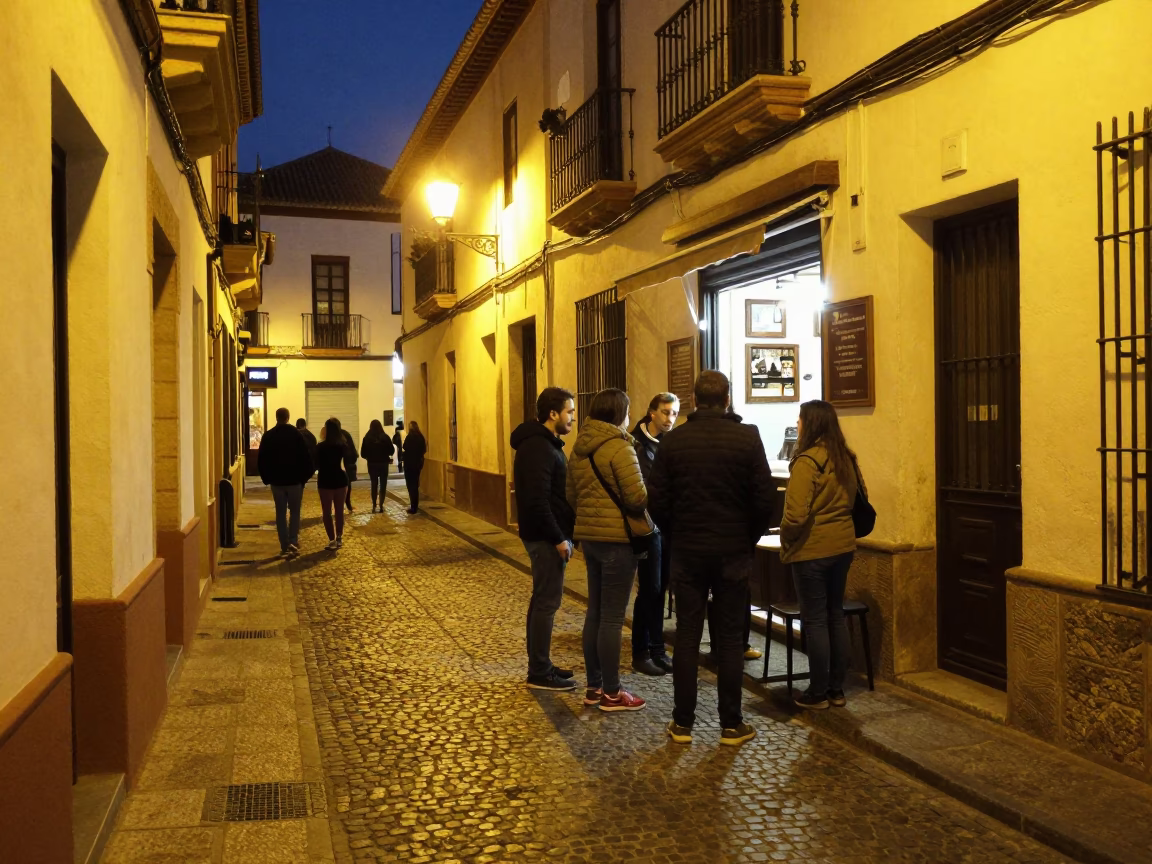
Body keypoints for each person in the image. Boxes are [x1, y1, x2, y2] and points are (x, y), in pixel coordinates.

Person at [648, 371, 773, 746]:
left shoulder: (674, 441)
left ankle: (682, 724)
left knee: (687, 637)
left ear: (694, 399)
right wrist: (746, 537)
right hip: (732, 552)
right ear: (728, 398)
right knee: (731, 638)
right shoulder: (747, 437)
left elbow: (657, 499)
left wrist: (676, 533)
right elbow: (765, 499)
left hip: (688, 552)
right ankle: (731, 724)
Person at [567, 388, 648, 713]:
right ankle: (613, 694)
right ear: (619, 414)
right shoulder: (620, 448)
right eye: (627, 411)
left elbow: (570, 496)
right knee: (613, 618)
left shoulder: (580, 449)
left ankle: (594, 687)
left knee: (595, 613)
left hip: (592, 540)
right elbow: (637, 498)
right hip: (618, 542)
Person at [780, 399, 864, 710]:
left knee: (815, 620)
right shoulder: (846, 458)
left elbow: (795, 515)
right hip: (842, 547)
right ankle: (836, 689)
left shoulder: (807, 461)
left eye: (800, 420)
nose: (797, 424)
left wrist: (787, 538)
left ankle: (816, 691)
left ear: (810, 424)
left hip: (812, 550)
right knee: (834, 615)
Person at [510, 387, 577, 692]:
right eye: (570, 411)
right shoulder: (538, 446)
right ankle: (539, 671)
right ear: (553, 414)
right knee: (546, 603)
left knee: (542, 601)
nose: (573, 417)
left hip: (545, 535)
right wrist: (558, 538)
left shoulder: (542, 443)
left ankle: (542, 664)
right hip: (545, 538)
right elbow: (538, 500)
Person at [629, 392, 679, 676]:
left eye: (674, 413)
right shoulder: (637, 444)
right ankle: (641, 649)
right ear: (652, 413)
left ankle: (658, 648)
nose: (670, 418)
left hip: (668, 526)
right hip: (648, 527)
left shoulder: (672, 443)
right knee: (649, 588)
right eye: (665, 412)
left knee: (661, 588)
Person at [258, 407, 315, 557]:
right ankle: (293, 541)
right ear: (288, 417)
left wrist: (267, 478)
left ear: (276, 417)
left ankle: (284, 544)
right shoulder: (296, 435)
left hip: (277, 482)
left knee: (280, 513)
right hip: (295, 481)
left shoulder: (269, 436)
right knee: (295, 512)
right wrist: (304, 478)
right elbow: (306, 457)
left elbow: (262, 459)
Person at [316, 418, 351, 550]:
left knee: (326, 512)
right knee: (339, 511)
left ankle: (332, 539)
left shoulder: (320, 447)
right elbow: (350, 458)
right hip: (340, 479)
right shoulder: (343, 446)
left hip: (325, 480)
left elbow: (316, 463)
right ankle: (339, 537)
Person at [362, 419, 396, 512]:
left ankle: (374, 504)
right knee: (383, 484)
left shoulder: (367, 437)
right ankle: (381, 504)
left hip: (372, 464)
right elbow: (391, 450)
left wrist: (370, 457)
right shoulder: (385, 437)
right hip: (383, 464)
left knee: (374, 483)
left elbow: (363, 453)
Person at [402, 422, 427, 514]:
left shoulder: (410, 437)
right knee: (415, 485)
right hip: (417, 464)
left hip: (409, 465)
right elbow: (424, 449)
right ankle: (415, 505)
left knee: (410, 485)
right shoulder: (421, 437)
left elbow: (404, 446)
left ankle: (413, 506)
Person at [341, 428, 359, 512]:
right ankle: (347, 504)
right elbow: (353, 451)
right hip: (348, 464)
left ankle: (340, 505)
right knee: (347, 485)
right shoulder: (346, 433)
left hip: (342, 465)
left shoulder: (333, 436)